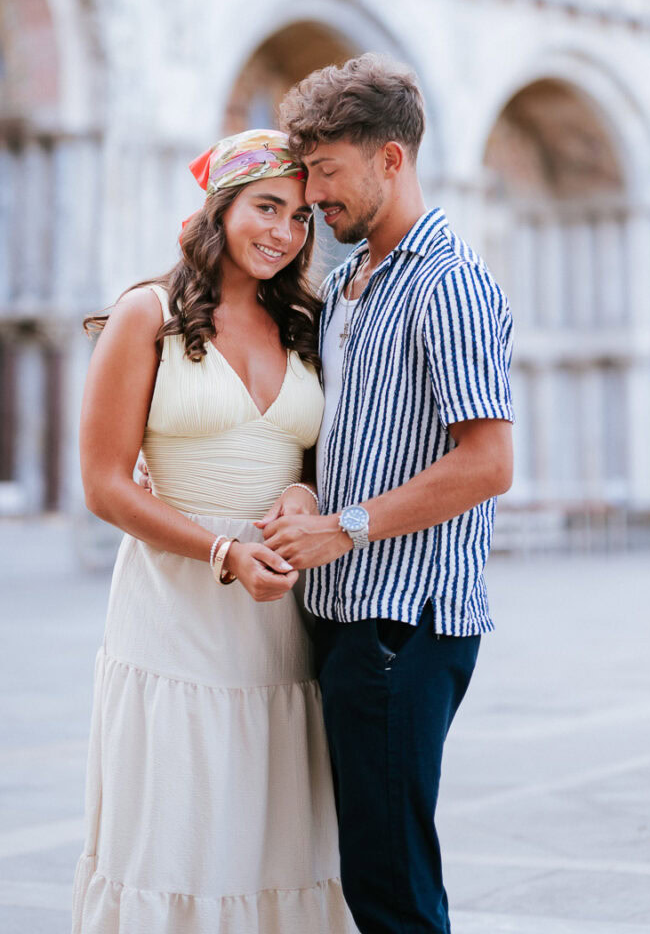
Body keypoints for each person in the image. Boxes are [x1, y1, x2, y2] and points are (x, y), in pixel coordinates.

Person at [72, 129, 355, 934]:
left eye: (302, 218)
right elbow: (101, 483)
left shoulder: (306, 321)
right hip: (176, 606)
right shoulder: (146, 314)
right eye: (267, 207)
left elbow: (310, 461)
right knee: (180, 824)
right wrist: (221, 550)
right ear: (220, 208)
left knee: (275, 831)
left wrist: (301, 496)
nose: (283, 232)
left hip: (282, 616)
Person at [258, 56, 514, 934]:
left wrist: (344, 526)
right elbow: (346, 436)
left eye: (327, 173)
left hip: (404, 621)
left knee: (391, 879)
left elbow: (487, 464)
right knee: (365, 858)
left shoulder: (449, 283)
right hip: (341, 612)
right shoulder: (346, 282)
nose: (314, 197)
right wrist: (304, 498)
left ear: (390, 160)